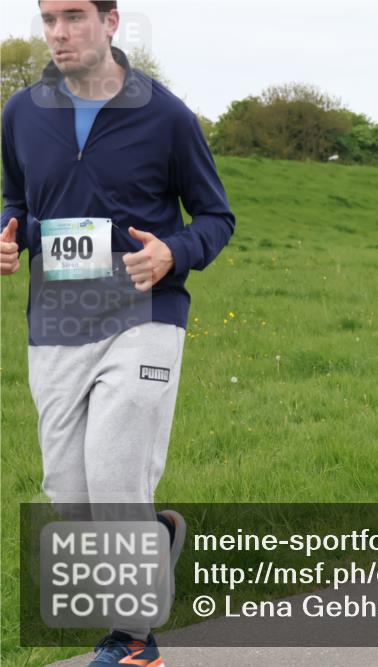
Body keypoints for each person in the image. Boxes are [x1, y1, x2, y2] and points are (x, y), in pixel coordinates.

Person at [1, 2, 235, 663]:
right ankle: (153, 534)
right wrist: (9, 235)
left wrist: (173, 253)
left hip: (143, 315)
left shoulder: (166, 115)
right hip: (55, 322)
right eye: (48, 18)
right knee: (70, 497)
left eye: (74, 16)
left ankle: (134, 639)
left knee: (113, 475)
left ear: (110, 22)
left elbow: (215, 216)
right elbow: (17, 200)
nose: (58, 32)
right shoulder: (20, 114)